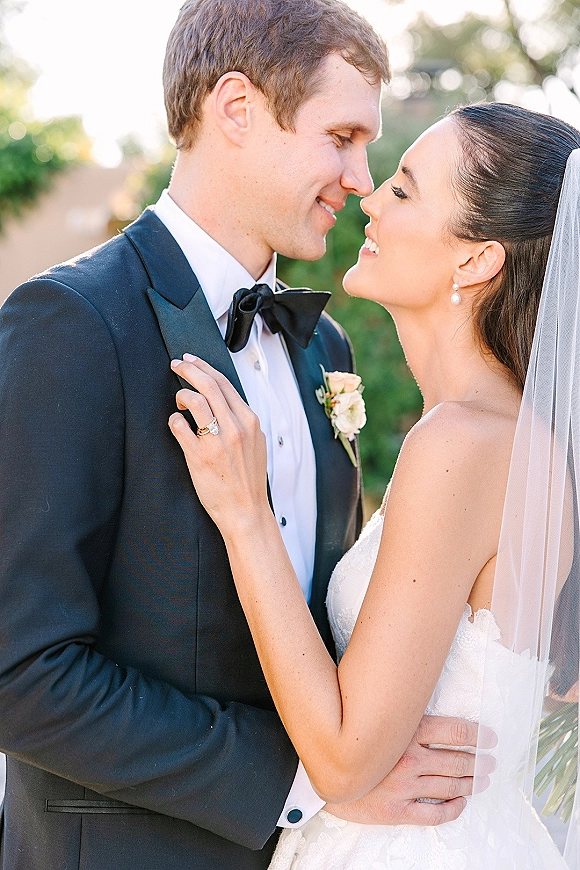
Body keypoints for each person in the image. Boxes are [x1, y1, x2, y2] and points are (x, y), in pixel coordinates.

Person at [0, 2, 484, 869]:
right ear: (235, 108)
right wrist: (307, 784)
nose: (361, 178)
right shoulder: (70, 324)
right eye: (340, 136)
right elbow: (18, 672)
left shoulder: (322, 346)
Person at [169, 102, 580, 868]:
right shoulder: (513, 439)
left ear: (475, 260)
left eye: (404, 189)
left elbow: (346, 760)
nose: (368, 196)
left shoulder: (461, 444)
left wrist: (245, 512)